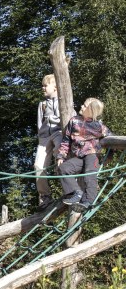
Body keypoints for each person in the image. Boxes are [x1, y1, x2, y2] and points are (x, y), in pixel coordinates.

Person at [56, 98, 112, 210]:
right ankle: (76, 192)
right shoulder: (74, 121)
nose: (81, 106)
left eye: (85, 106)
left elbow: (112, 139)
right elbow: (66, 139)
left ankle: (88, 201)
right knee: (63, 168)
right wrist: (61, 155)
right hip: (79, 156)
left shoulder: (99, 126)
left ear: (91, 111)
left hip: (93, 154)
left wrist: (109, 156)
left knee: (89, 175)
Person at [35, 74, 63, 210]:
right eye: (43, 85)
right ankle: (45, 196)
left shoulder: (63, 101)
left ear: (56, 87)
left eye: (46, 85)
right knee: (38, 165)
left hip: (59, 133)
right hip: (45, 137)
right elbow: (40, 124)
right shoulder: (42, 104)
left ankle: (69, 189)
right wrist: (41, 138)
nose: (43, 88)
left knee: (61, 159)